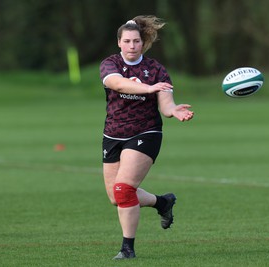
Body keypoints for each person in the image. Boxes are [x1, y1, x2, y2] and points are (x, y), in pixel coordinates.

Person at [99, 15, 194, 260]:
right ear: (119, 43)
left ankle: (127, 249)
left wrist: (174, 111)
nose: (132, 46)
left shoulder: (156, 70)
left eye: (136, 41)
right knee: (115, 197)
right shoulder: (110, 64)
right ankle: (162, 203)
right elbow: (118, 84)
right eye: (127, 41)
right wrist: (148, 88)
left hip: (145, 133)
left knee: (123, 190)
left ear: (143, 43)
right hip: (113, 134)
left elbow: (166, 104)